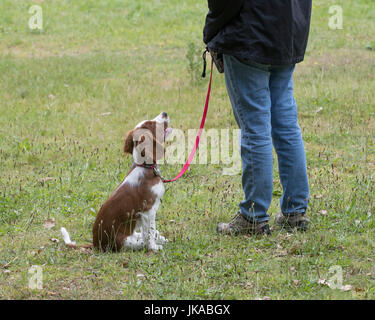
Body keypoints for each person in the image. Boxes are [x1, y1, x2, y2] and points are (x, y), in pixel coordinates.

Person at [203, 0, 312, 235]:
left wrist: (211, 30)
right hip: (287, 34)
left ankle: (253, 216)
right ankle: (295, 211)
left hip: (249, 36)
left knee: (256, 128)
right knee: (285, 124)